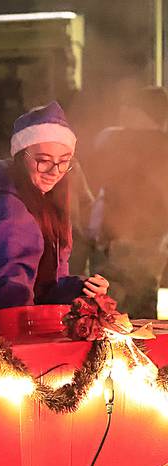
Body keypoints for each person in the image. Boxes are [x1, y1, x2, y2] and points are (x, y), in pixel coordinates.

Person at [0, 102, 109, 321]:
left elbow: (48, 286)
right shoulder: (9, 209)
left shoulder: (50, 201)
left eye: (64, 162)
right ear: (21, 157)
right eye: (43, 161)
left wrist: (82, 288)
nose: (55, 171)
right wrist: (31, 331)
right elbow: (12, 297)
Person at [87, 86, 168, 318]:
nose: (123, 113)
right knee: (144, 305)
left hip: (120, 243)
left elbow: (96, 179)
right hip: (155, 243)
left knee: (110, 310)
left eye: (130, 108)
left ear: (142, 112)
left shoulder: (117, 140)